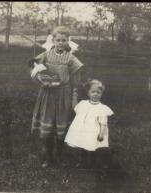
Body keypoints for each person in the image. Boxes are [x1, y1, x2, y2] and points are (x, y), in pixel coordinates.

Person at [30, 26, 84, 168]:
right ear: (52, 40)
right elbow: (34, 67)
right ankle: (48, 157)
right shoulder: (46, 55)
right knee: (47, 125)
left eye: (63, 40)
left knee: (60, 126)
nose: (60, 43)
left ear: (68, 41)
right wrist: (41, 79)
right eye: (58, 40)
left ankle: (59, 156)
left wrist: (74, 97)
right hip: (48, 94)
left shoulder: (71, 58)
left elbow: (75, 80)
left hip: (63, 95)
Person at [64, 79, 114, 168]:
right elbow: (75, 107)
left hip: (94, 132)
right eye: (93, 92)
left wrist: (101, 134)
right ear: (88, 93)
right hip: (84, 131)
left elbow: (103, 123)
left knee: (93, 146)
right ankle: (83, 162)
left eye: (98, 92)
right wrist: (74, 96)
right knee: (84, 145)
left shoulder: (102, 108)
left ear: (101, 94)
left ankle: (92, 163)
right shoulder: (83, 104)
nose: (95, 94)